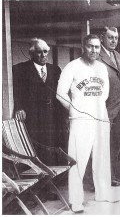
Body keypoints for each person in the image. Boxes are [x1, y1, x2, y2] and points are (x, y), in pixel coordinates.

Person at [57, 34, 120, 213]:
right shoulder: (72, 66)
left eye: (97, 47)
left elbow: (105, 93)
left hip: (100, 116)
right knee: (78, 160)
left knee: (102, 158)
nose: (94, 50)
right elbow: (60, 93)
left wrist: (96, 107)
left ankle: (103, 193)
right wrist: (74, 109)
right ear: (83, 47)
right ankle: (76, 200)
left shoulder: (101, 67)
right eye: (90, 46)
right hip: (80, 120)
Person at [12, 38, 68, 201]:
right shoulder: (20, 70)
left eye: (46, 51)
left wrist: (65, 116)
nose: (43, 55)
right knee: (37, 153)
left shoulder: (55, 69)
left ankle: (52, 185)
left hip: (53, 119)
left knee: (53, 151)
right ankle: (39, 191)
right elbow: (15, 91)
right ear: (31, 53)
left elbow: (61, 93)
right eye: (39, 51)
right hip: (34, 120)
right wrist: (19, 107)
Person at [99, 26, 120, 186]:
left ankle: (113, 176)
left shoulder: (118, 55)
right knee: (103, 146)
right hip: (106, 108)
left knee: (116, 145)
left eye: (116, 38)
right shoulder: (97, 57)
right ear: (102, 38)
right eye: (110, 37)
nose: (113, 41)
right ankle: (102, 178)